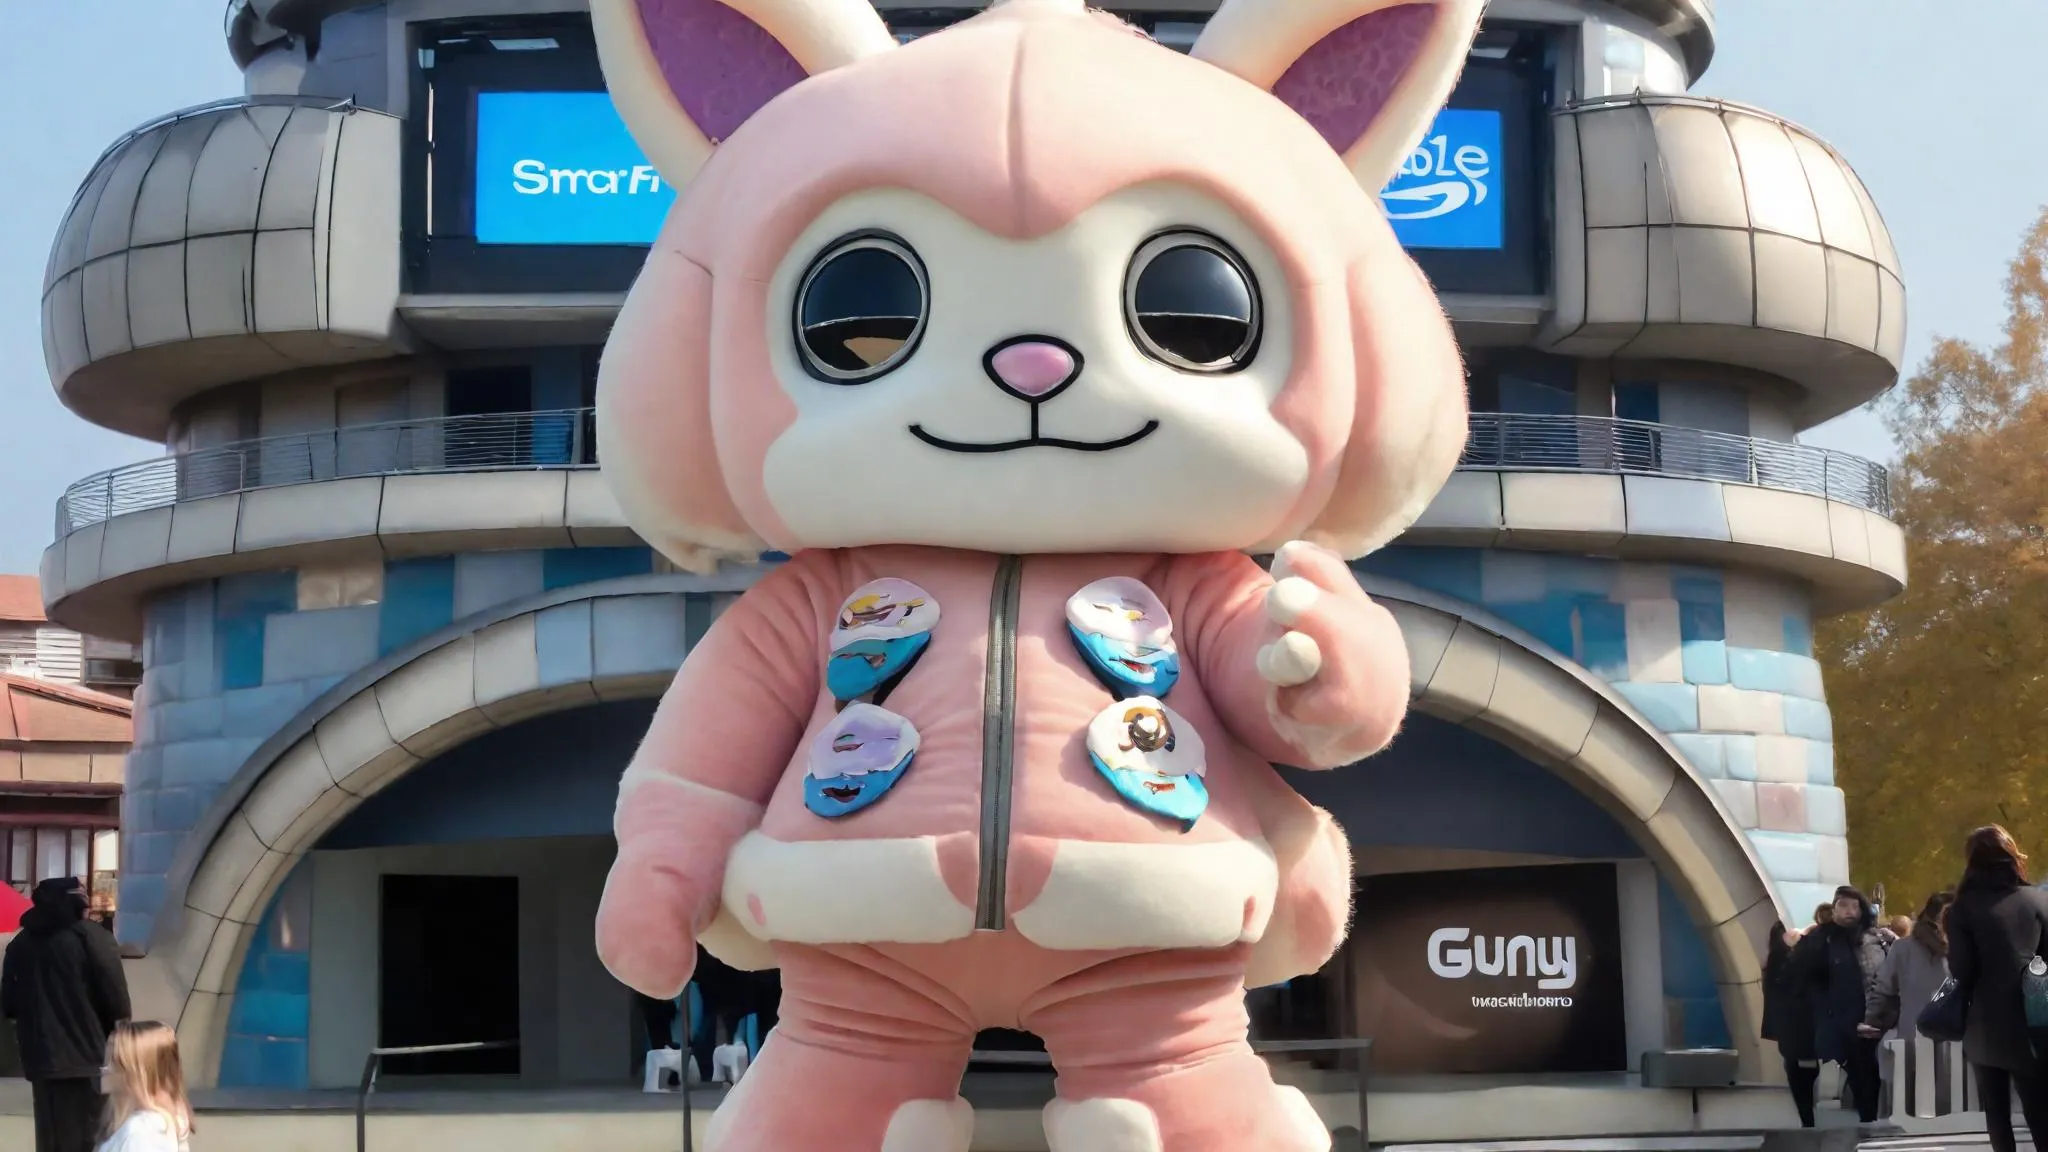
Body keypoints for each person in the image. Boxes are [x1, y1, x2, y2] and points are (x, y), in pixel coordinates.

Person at [1, 877, 133, 1152]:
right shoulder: (93, 938)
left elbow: (10, 1004)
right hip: (89, 1058)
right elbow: (117, 1001)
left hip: (41, 1061)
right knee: (90, 1138)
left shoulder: (20, 945)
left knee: (50, 1138)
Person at [1946, 825, 2048, 1152]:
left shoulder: (1962, 908)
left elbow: (1961, 970)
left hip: (1984, 1022)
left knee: (1997, 1112)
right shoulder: (2037, 900)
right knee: (2040, 1110)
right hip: (2034, 1019)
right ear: (2012, 855)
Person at [1788, 885, 1887, 1122]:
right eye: (1843, 905)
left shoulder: (1875, 939)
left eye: (1854, 906)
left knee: (1867, 1075)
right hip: (1833, 1018)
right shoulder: (1819, 939)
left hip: (1867, 1019)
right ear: (1833, 909)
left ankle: (1868, 1120)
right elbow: (1799, 977)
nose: (1849, 911)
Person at [1861, 892, 1955, 1092]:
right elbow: (1883, 989)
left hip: (1943, 1038)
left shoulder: (1967, 947)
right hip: (1921, 1038)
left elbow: (1882, 989)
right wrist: (1872, 1020)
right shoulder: (1904, 948)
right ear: (1933, 919)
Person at [96, 1021, 192, 1152]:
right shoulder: (154, 1123)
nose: (104, 1069)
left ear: (138, 1072)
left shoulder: (141, 1132)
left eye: (113, 1061)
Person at [1764, 918, 1821, 1126]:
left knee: (1800, 1071)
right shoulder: (1783, 960)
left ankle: (1807, 1117)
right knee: (1802, 1071)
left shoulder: (1780, 959)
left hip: (1794, 1029)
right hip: (1799, 1028)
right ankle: (1807, 1117)